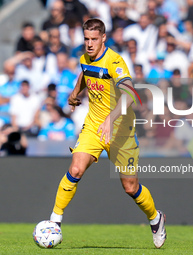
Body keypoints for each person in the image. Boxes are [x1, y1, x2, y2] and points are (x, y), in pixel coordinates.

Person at [48, 18, 166, 249]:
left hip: (120, 130)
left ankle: (155, 219)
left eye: (94, 39)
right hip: (94, 125)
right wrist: (75, 93)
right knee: (75, 168)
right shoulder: (84, 58)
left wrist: (111, 119)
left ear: (103, 38)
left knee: (130, 187)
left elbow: (131, 94)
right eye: (86, 39)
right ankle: (55, 222)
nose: (89, 44)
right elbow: (85, 74)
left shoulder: (115, 61)